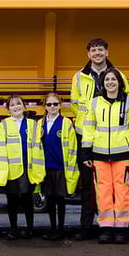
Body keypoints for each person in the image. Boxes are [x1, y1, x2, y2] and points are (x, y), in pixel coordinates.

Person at [70, 38, 129, 241]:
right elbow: (75, 104)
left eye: (100, 50)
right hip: (87, 135)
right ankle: (86, 226)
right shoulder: (79, 77)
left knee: (115, 187)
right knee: (88, 185)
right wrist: (89, 124)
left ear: (107, 52)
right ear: (88, 54)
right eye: (93, 50)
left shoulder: (118, 75)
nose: (97, 53)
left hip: (114, 138)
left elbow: (126, 103)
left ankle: (114, 227)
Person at [81, 68, 129, 244]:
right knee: (103, 193)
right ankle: (106, 229)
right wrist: (86, 152)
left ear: (120, 83)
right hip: (99, 156)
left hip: (123, 155)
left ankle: (121, 230)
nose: (110, 82)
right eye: (107, 79)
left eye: (114, 79)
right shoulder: (94, 103)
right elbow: (88, 129)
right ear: (102, 83)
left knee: (123, 192)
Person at [0, 94, 45, 240]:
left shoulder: (32, 124)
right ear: (8, 109)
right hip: (11, 168)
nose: (16, 107)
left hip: (28, 168)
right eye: (13, 105)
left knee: (28, 199)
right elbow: (0, 147)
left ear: (24, 106)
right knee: (12, 200)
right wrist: (3, 169)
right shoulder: (4, 124)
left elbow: (37, 146)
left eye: (19, 104)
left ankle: (29, 229)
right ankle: (13, 229)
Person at [35, 93, 79, 241]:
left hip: (60, 167)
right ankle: (52, 228)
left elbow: (72, 148)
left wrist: (71, 167)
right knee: (50, 199)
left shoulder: (66, 123)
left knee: (60, 199)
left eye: (55, 104)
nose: (52, 107)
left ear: (60, 105)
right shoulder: (40, 123)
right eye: (49, 104)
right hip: (46, 167)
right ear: (45, 107)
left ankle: (61, 229)